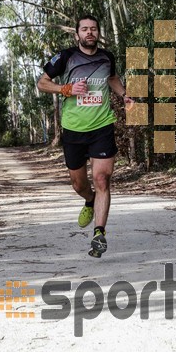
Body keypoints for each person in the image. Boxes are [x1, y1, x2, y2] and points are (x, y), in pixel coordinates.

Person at [37, 14, 133, 257]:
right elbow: (42, 83)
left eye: (93, 29)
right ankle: (89, 200)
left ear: (97, 33)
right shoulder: (66, 57)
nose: (89, 33)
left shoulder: (106, 57)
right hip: (73, 129)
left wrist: (124, 95)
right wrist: (65, 89)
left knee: (102, 179)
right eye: (85, 29)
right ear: (77, 34)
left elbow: (111, 78)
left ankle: (99, 233)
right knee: (79, 184)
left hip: (102, 126)